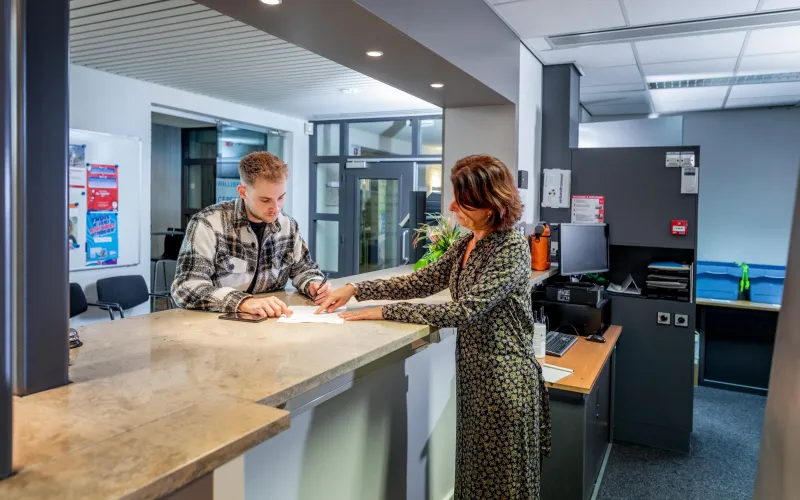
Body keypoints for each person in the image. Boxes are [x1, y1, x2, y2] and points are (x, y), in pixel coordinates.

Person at [318, 154, 551, 499]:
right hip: (476, 379)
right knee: (473, 476)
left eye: (463, 200)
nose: (452, 206)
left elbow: (466, 311)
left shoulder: (511, 248)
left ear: (490, 205)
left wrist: (387, 312)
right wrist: (357, 290)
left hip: (506, 382)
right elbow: (421, 282)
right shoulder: (468, 242)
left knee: (504, 485)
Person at [172, 151, 331, 317]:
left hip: (272, 321)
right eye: (265, 200)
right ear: (242, 192)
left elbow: (303, 269)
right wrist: (243, 302)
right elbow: (185, 287)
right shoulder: (208, 224)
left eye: (281, 198)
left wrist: (313, 283)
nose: (276, 208)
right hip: (217, 324)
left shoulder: (288, 226)